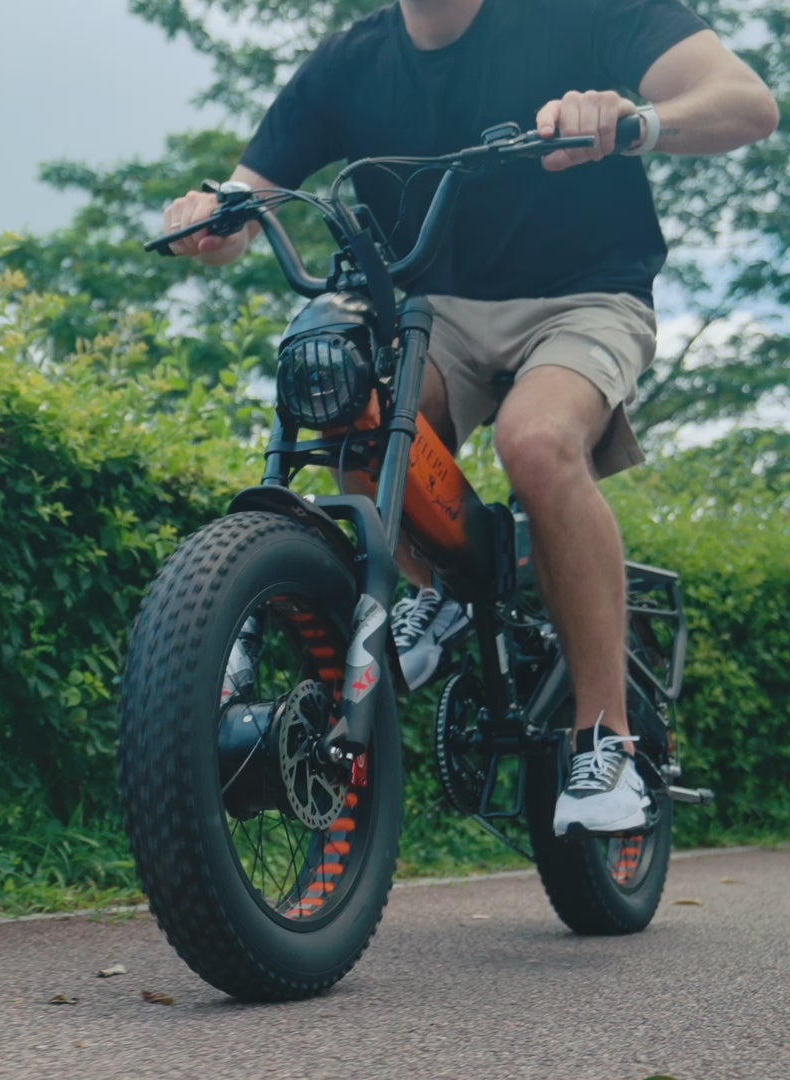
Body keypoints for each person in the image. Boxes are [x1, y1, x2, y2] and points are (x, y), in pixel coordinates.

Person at [167, 0, 777, 836]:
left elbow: (746, 104)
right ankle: (436, 591)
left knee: (537, 440)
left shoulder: (588, 13)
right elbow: (246, 201)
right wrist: (210, 218)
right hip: (435, 310)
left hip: (586, 294)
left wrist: (634, 122)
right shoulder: (349, 62)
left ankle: (610, 741)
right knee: (348, 406)